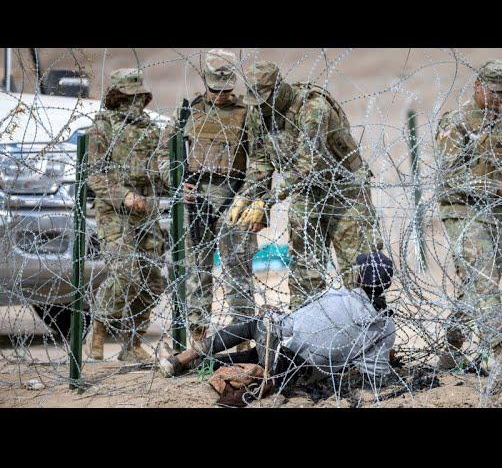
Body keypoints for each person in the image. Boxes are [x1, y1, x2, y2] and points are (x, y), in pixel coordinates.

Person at [227, 60, 384, 310]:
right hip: (306, 191)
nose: (262, 107)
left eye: (266, 99)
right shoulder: (258, 112)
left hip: (344, 190)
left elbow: (308, 162)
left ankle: (369, 336)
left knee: (358, 270)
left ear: (279, 88)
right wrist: (248, 197)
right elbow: (260, 161)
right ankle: (307, 332)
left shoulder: (312, 108)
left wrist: (267, 199)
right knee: (304, 272)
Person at [157, 251, 397, 388]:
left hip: (277, 357)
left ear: (358, 278)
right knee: (251, 355)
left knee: (256, 325)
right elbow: (376, 374)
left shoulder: (338, 295)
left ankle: (182, 359)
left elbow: (291, 325)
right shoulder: (383, 327)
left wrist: (272, 315)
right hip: (294, 373)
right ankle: (197, 367)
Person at [434, 59, 502, 372]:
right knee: (485, 280)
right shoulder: (458, 121)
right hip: (462, 211)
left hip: (495, 214)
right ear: (478, 85)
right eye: (493, 91)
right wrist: (495, 186)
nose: (499, 98)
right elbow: (449, 176)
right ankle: (499, 353)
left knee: (477, 283)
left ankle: (451, 349)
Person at [160, 49, 256, 350]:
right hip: (197, 200)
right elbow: (164, 153)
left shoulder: (247, 113)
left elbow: (261, 160)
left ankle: (242, 338)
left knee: (238, 271)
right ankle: (198, 340)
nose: (220, 97)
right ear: (206, 83)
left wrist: (250, 196)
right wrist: (176, 182)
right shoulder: (187, 112)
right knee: (197, 273)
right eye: (216, 90)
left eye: (226, 90)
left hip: (235, 199)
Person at [86, 68, 166, 362]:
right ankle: (98, 327)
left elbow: (159, 172)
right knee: (125, 270)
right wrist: (123, 195)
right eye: (128, 97)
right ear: (118, 97)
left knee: (152, 279)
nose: (134, 103)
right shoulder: (102, 128)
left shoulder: (151, 130)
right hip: (113, 212)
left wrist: (172, 179)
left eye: (138, 97)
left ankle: (133, 343)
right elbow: (94, 175)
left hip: (145, 212)